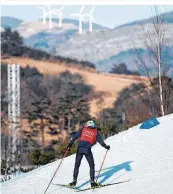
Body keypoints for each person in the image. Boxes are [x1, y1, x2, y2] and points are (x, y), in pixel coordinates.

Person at [67, 120, 110, 188]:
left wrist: (69, 145)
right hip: (87, 150)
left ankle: (74, 182)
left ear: (87, 124)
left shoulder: (83, 129)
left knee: (77, 165)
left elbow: (75, 136)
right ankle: (92, 183)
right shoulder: (95, 132)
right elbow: (101, 142)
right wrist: (106, 147)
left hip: (79, 149)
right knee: (91, 166)